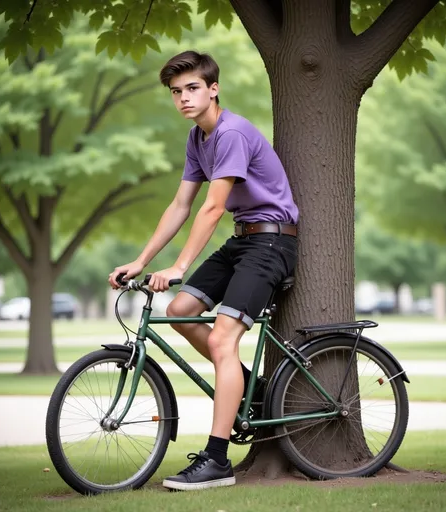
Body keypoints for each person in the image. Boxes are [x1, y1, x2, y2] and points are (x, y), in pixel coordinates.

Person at [108, 50, 299, 491]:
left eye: (192, 88)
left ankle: (217, 460)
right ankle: (252, 389)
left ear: (213, 88)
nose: (183, 98)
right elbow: (180, 206)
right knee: (180, 309)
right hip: (245, 240)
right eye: (176, 92)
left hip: (272, 241)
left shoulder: (230, 133)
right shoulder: (198, 139)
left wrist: (179, 264)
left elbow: (212, 208)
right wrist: (141, 260)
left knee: (220, 336)